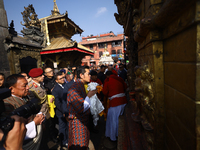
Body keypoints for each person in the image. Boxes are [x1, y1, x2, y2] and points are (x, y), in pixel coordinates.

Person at [1, 74, 45, 150]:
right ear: (12, 89)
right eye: (24, 86)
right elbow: (11, 131)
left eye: (27, 85)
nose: (28, 88)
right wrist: (34, 123)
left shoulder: (25, 97)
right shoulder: (7, 104)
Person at [67, 66, 97, 150]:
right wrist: (89, 96)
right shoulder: (74, 89)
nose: (90, 76)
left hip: (83, 121)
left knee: (84, 143)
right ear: (81, 75)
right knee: (79, 144)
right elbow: (80, 108)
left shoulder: (81, 85)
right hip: (77, 122)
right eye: (88, 74)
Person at [102, 71, 127, 143]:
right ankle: (121, 135)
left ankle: (113, 137)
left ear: (107, 76)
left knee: (113, 120)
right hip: (124, 101)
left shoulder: (108, 80)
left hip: (115, 103)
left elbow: (105, 92)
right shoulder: (120, 78)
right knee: (121, 120)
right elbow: (125, 87)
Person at [52, 71, 74, 148]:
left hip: (69, 110)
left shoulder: (66, 85)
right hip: (61, 112)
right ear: (56, 80)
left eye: (63, 78)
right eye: (60, 78)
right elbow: (57, 103)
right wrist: (64, 111)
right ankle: (64, 141)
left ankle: (69, 139)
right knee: (62, 127)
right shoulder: (55, 90)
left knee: (69, 127)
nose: (62, 79)